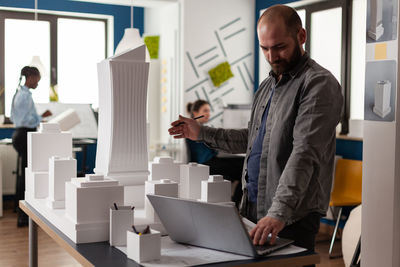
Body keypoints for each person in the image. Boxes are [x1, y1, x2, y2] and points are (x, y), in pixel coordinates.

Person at [169, 4, 343, 254]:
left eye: (280, 47)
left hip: (290, 216)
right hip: (253, 207)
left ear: (301, 36)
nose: (272, 57)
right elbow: (251, 139)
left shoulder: (318, 85)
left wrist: (278, 213)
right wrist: (202, 133)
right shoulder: (267, 86)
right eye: (265, 48)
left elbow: (305, 154)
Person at [10, 66, 52, 227]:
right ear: (31, 77)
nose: (38, 83)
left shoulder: (22, 94)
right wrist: (41, 118)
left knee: (25, 173)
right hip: (23, 135)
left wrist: (40, 118)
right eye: (38, 79)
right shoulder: (24, 96)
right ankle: (22, 216)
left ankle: (23, 213)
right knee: (26, 175)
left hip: (22, 135)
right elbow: (25, 121)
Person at [185, 100, 244, 205]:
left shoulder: (200, 129)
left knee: (244, 164)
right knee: (244, 168)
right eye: (205, 110)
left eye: (209, 111)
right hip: (206, 163)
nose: (208, 114)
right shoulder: (194, 129)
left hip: (210, 160)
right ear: (195, 113)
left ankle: (236, 201)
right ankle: (237, 203)